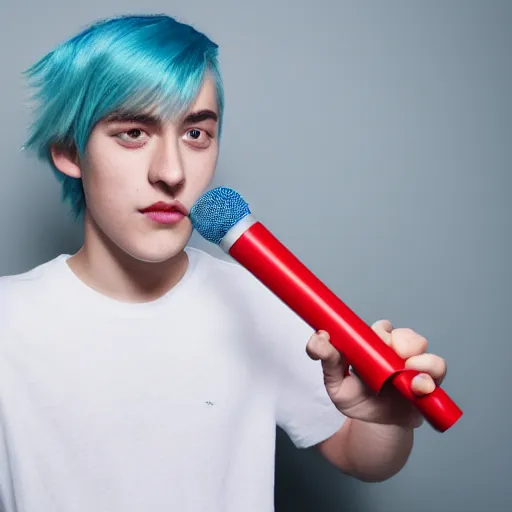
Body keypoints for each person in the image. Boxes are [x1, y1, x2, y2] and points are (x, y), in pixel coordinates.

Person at [0, 14, 448, 512]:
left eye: (195, 134)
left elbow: (360, 457)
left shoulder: (251, 296)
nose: (171, 173)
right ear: (69, 150)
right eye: (133, 132)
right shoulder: (8, 320)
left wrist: (382, 417)